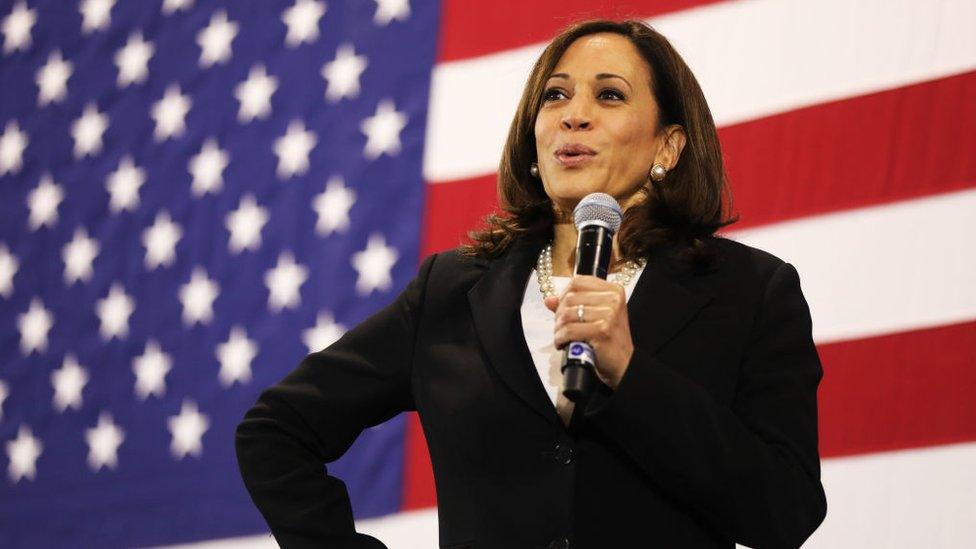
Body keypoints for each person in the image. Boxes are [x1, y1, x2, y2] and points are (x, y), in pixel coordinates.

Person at [236, 19, 827, 549]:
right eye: (556, 95)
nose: (574, 113)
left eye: (610, 95)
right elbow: (275, 431)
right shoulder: (452, 292)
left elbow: (785, 513)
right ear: (535, 138)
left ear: (667, 146)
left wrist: (631, 374)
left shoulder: (749, 292)